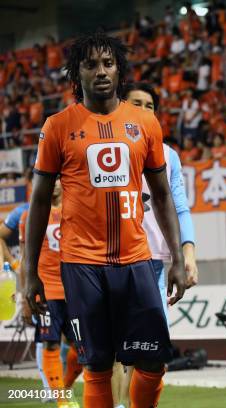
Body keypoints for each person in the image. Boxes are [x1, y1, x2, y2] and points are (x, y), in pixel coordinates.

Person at [24, 32, 186, 408]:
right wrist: (30, 272)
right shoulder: (57, 126)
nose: (101, 72)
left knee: (153, 360)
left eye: (108, 63)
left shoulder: (144, 123)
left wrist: (178, 258)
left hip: (135, 261)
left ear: (120, 70)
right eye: (91, 64)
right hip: (82, 265)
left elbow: (162, 195)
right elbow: (39, 200)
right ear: (76, 72)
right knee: (97, 366)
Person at [110, 81, 199, 408]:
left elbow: (179, 206)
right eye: (137, 103)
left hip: (156, 264)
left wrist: (188, 251)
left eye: (150, 106)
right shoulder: (106, 145)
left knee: (149, 352)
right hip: (113, 260)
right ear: (121, 105)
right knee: (115, 349)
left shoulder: (169, 155)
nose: (144, 111)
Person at [19, 179, 82, 408]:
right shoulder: (30, 216)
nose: (54, 184)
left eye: (59, 178)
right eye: (50, 178)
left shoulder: (75, 210)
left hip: (75, 290)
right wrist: (24, 296)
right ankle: (61, 401)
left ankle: (65, 389)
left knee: (83, 349)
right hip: (46, 291)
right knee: (51, 344)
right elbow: (26, 259)